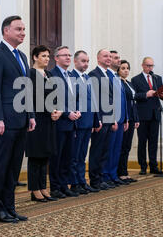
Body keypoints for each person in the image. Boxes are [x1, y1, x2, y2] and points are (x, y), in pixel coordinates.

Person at [0, 16, 36, 223]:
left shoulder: (22, 57)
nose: (23, 32)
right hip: (4, 121)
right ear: (6, 31)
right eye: (18, 29)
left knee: (14, 167)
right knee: (1, 165)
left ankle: (9, 207)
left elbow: (26, 90)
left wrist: (31, 115)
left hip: (22, 120)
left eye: (24, 29)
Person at [26, 45, 61, 202]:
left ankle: (43, 187)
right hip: (37, 119)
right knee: (35, 155)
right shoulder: (30, 74)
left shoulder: (48, 74)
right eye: (43, 56)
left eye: (48, 56)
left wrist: (58, 110)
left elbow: (54, 95)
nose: (47, 59)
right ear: (35, 57)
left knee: (45, 154)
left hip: (49, 119)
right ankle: (34, 190)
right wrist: (49, 111)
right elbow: (33, 97)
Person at [49, 46, 81, 199]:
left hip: (72, 123)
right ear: (56, 58)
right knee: (57, 157)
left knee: (68, 156)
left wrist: (77, 111)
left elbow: (74, 98)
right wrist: (68, 113)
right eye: (64, 55)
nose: (68, 58)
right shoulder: (52, 74)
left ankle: (64, 185)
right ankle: (55, 187)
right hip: (59, 122)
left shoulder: (70, 75)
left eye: (69, 55)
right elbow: (53, 99)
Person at [131, 57, 163, 175]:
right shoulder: (135, 79)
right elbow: (133, 96)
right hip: (142, 115)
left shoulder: (157, 78)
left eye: (152, 66)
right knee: (142, 142)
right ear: (142, 65)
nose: (150, 68)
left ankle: (154, 166)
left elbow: (161, 95)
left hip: (155, 114)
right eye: (148, 65)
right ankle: (143, 166)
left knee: (153, 142)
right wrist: (145, 94)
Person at [70, 51, 100, 194]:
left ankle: (82, 181)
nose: (86, 64)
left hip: (88, 122)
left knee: (82, 155)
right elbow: (70, 100)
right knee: (74, 155)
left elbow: (93, 101)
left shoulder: (87, 78)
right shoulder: (71, 77)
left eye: (87, 61)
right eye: (83, 61)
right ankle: (74, 183)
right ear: (75, 62)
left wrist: (96, 120)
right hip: (77, 122)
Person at [87, 49, 115, 191]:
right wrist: (96, 120)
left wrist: (114, 119)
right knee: (97, 150)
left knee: (105, 150)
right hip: (100, 119)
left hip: (109, 118)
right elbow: (94, 100)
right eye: (105, 56)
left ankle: (102, 177)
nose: (108, 58)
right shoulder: (93, 75)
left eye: (110, 56)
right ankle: (95, 180)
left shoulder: (109, 74)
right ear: (98, 59)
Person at [102, 51, 128, 187]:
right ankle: (106, 175)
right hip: (112, 119)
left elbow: (123, 100)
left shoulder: (117, 77)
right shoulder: (108, 77)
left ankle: (113, 174)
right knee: (109, 149)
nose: (119, 60)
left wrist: (126, 118)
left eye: (119, 57)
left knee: (117, 149)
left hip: (121, 118)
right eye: (116, 58)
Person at [117, 60, 139, 183]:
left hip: (131, 118)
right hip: (123, 118)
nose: (126, 70)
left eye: (127, 68)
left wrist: (136, 118)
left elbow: (133, 102)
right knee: (121, 146)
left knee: (127, 147)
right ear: (118, 70)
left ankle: (125, 172)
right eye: (123, 68)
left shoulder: (129, 83)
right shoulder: (118, 83)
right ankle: (120, 173)